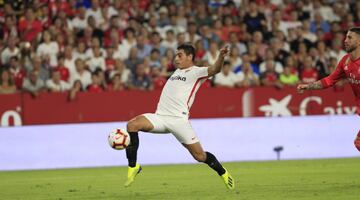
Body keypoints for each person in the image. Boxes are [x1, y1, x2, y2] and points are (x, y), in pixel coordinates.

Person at [122, 43, 235, 189]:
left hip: (179, 121)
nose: (176, 58)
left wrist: (220, 56)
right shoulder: (176, 72)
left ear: (190, 57)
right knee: (132, 125)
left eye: (180, 55)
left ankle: (223, 172)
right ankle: (133, 167)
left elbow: (215, 69)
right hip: (160, 117)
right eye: (176, 55)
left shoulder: (196, 72)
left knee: (200, 156)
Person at [297, 27, 360, 152]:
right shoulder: (345, 61)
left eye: (350, 37)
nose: (345, 40)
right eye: (346, 37)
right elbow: (329, 80)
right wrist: (308, 86)